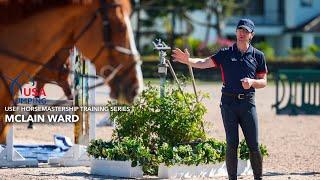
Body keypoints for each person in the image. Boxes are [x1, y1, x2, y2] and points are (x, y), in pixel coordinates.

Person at [172, 19, 267, 180]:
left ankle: (258, 178)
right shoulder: (225, 53)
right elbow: (204, 63)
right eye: (239, 30)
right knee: (232, 143)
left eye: (246, 31)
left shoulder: (258, 56)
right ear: (236, 32)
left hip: (248, 103)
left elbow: (263, 81)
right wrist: (188, 60)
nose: (242, 33)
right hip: (228, 104)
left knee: (253, 144)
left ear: (252, 35)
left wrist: (252, 82)